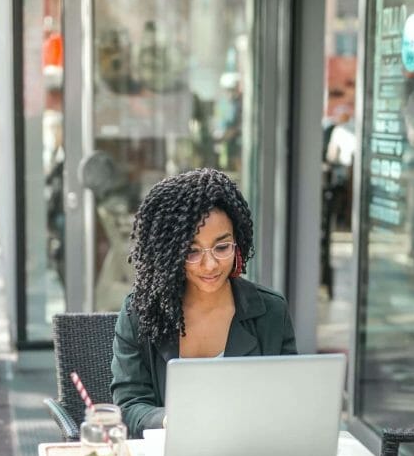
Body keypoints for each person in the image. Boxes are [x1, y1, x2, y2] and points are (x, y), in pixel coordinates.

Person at [110, 168, 297, 438]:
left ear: (238, 244)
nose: (209, 265)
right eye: (192, 251)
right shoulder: (140, 312)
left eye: (222, 248)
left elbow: (289, 402)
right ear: (170, 254)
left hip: (252, 455)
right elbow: (128, 407)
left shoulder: (270, 312)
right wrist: (168, 420)